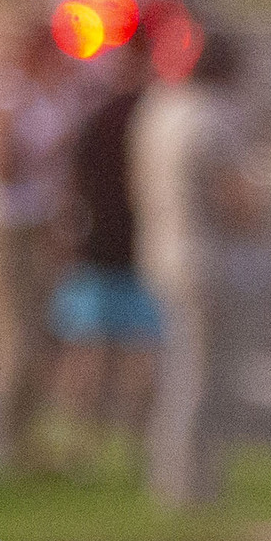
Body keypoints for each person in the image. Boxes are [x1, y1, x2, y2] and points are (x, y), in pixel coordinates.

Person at [130, 21, 261, 509]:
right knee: (204, 377)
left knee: (178, 369)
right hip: (209, 258)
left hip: (161, 249)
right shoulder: (215, 117)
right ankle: (190, 483)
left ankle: (167, 472)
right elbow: (239, 204)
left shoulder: (159, 108)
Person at [0, 23, 86, 466]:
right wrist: (48, 150)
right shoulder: (4, 92)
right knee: (10, 340)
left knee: (42, 333)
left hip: (38, 223)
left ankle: (21, 441)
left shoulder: (52, 96)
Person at [45, 27, 158, 465]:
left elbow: (70, 181)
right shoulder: (152, 116)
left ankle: (79, 447)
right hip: (138, 245)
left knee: (87, 350)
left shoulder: (95, 116)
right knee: (138, 350)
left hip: (95, 245)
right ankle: (133, 447)